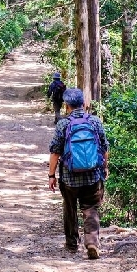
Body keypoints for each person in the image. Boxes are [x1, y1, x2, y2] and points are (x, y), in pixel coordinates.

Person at [47, 88, 109, 259]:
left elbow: (55, 152)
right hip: (92, 175)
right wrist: (105, 167)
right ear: (83, 103)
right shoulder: (95, 121)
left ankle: (72, 243)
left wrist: (51, 175)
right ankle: (92, 243)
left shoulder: (63, 124)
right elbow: (104, 147)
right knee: (91, 209)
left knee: (70, 208)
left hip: (69, 178)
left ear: (67, 106)